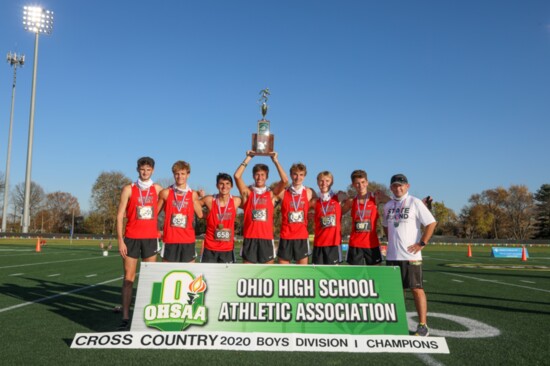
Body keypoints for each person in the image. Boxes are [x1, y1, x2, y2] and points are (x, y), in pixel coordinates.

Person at [382, 173, 437, 337]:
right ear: (391, 187)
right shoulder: (387, 206)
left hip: (411, 256)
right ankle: (396, 324)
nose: (398, 188)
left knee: (417, 289)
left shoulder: (415, 202)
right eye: (394, 186)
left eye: (401, 185)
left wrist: (422, 243)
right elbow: (385, 226)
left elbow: (431, 222)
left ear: (407, 186)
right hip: (392, 256)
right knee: (394, 292)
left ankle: (422, 325)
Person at [116, 156, 163, 331]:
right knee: (128, 278)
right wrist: (120, 240)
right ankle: (126, 316)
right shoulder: (128, 189)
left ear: (153, 171)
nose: (145, 172)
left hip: (150, 238)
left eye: (148, 170)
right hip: (131, 238)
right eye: (142, 169)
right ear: (138, 170)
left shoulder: (158, 189)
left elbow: (172, 200)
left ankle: (147, 315)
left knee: (150, 278)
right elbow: (120, 215)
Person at [234, 150, 288, 264]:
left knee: (268, 272)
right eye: (257, 174)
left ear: (267, 177)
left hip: (266, 239)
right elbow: (237, 176)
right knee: (248, 273)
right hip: (250, 238)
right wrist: (249, 157)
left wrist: (275, 161)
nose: (259, 177)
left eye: (262, 174)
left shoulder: (270, 194)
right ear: (253, 176)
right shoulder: (247, 193)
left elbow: (285, 180)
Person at [157, 160, 203, 263]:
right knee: (168, 274)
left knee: (189, 274)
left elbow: (200, 214)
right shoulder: (165, 193)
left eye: (183, 173)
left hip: (188, 240)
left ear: (188, 175)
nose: (180, 176)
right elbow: (154, 213)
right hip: (170, 240)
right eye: (177, 174)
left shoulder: (193, 194)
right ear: (173, 175)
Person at [342, 169, 389, 266]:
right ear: (353, 185)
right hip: (355, 244)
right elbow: (338, 213)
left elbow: (395, 204)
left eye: (363, 182)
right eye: (357, 183)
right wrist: (338, 200)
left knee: (375, 276)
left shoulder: (375, 198)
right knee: (354, 277)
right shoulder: (351, 201)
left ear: (367, 182)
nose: (360, 185)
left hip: (372, 244)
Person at [276, 163, 314, 265]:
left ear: (304, 176)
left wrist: (312, 215)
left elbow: (319, 206)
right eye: (295, 174)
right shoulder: (283, 193)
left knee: (302, 272)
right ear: (291, 175)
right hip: (286, 236)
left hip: (301, 236)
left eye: (301, 174)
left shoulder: (309, 192)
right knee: (283, 271)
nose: (298, 177)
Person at [199, 173, 242, 263]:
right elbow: (193, 204)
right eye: (221, 183)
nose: (224, 186)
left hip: (227, 249)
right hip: (210, 247)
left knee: (227, 276)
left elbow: (251, 206)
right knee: (207, 276)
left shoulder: (236, 201)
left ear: (231, 186)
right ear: (217, 185)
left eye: (227, 183)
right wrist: (204, 215)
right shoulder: (209, 199)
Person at [310, 171, 347, 265]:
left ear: (332, 182)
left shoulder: (338, 197)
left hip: (333, 243)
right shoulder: (315, 202)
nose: (324, 183)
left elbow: (347, 198)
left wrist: (344, 196)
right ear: (317, 182)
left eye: (327, 180)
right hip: (318, 243)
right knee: (318, 274)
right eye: (321, 181)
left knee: (333, 275)